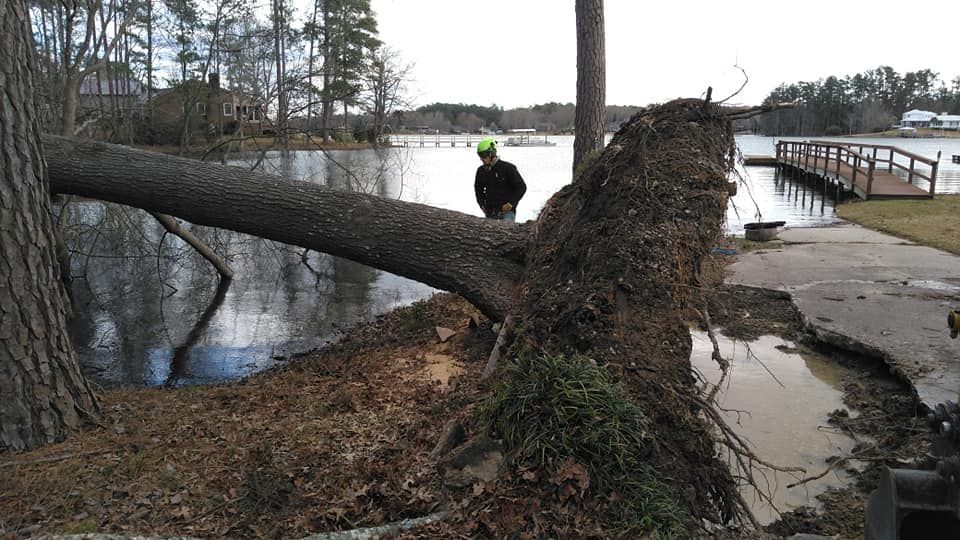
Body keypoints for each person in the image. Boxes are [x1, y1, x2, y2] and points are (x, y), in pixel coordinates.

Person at [474, 138, 526, 222]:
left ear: (492, 154)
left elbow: (521, 187)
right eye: (480, 155)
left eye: (484, 155)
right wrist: (482, 205)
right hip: (490, 212)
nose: (481, 159)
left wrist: (510, 203)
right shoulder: (481, 171)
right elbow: (478, 189)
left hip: (507, 213)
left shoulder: (508, 168)